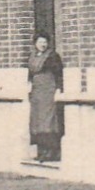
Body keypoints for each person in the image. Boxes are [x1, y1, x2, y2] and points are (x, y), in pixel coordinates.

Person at [28, 34, 64, 163]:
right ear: (35, 43)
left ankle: (51, 152)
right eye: (40, 42)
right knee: (37, 122)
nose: (42, 44)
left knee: (48, 121)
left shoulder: (52, 56)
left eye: (45, 42)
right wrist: (29, 87)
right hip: (36, 92)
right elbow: (30, 75)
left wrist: (58, 89)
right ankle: (41, 151)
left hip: (48, 91)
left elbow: (58, 74)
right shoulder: (33, 57)